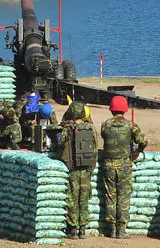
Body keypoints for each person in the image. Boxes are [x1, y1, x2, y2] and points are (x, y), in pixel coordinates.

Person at [101, 95, 148, 239]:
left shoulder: (105, 125)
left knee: (110, 196)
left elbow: (105, 136)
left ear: (111, 109)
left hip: (108, 165)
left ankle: (112, 229)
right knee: (123, 197)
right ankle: (121, 230)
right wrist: (137, 152)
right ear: (125, 110)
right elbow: (143, 141)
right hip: (124, 165)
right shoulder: (131, 126)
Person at [58, 102, 98, 239]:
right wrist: (91, 168)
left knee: (72, 199)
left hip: (73, 169)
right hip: (86, 169)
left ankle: (73, 229)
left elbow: (61, 142)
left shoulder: (68, 128)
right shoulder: (91, 128)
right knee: (84, 199)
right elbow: (95, 150)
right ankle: (83, 229)